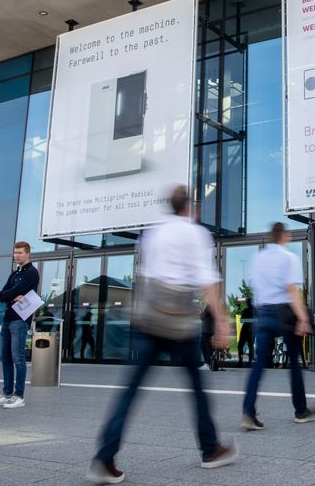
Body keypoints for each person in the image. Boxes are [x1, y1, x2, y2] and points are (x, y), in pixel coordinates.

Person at [88, 185, 237, 484]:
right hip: (179, 325)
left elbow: (143, 275)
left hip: (147, 319)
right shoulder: (195, 234)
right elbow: (207, 282)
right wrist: (221, 321)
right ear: (190, 207)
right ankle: (210, 451)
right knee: (196, 388)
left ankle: (104, 458)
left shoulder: (152, 233)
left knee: (129, 390)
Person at [241, 222, 315, 431]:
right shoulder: (289, 258)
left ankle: (248, 411)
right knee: (294, 361)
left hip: (263, 314)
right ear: (283, 236)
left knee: (259, 364)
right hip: (284, 315)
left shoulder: (258, 258)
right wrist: (302, 317)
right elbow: (291, 289)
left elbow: (254, 288)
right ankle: (301, 411)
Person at [0, 241, 39, 410]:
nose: (17, 255)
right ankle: (7, 393)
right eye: (15, 252)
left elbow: (10, 292)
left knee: (18, 358)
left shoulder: (32, 272)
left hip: (20, 319)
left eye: (20, 253)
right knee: (5, 358)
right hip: (8, 318)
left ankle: (19, 395)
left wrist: (10, 294)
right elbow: (3, 293)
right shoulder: (14, 273)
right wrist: (10, 295)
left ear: (28, 254)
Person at [238, 296, 255, 365]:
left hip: (245, 330)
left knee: (240, 346)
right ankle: (249, 362)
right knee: (250, 346)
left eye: (247, 302)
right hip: (251, 330)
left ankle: (240, 362)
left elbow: (241, 320)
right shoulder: (255, 311)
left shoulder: (246, 310)